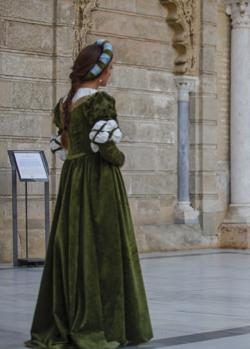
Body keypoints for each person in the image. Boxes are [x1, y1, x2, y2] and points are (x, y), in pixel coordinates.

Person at [26, 40, 153, 348]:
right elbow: (108, 150)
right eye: (110, 68)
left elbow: (64, 148)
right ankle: (104, 325)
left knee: (74, 248)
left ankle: (69, 319)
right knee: (106, 249)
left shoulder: (64, 104)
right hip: (100, 182)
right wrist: (119, 158)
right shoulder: (99, 101)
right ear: (99, 72)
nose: (111, 73)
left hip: (73, 182)